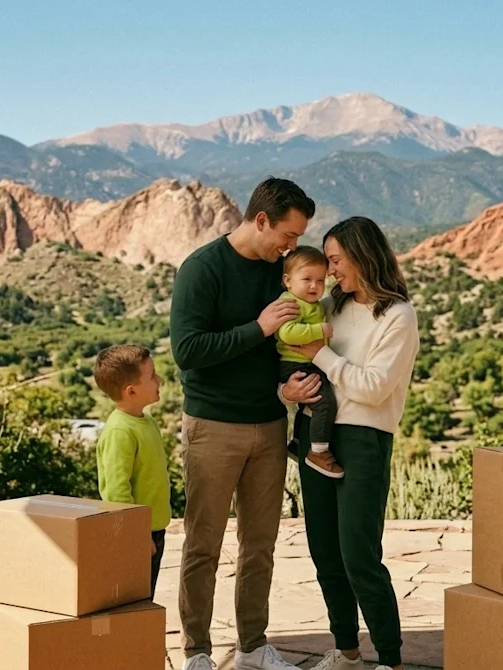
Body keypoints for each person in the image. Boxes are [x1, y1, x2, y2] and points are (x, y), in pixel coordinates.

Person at [170, 177, 320, 670]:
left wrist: (288, 390)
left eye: (298, 239)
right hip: (212, 427)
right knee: (203, 545)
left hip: (270, 426)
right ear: (261, 220)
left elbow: (287, 348)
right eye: (288, 235)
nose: (292, 246)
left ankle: (253, 648)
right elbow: (188, 353)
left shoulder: (282, 272)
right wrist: (257, 328)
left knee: (260, 546)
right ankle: (197, 652)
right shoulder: (202, 269)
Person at [283, 217, 420, 670]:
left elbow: (373, 387)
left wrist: (320, 354)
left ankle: (390, 659)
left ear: (363, 256)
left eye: (337, 260)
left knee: (359, 553)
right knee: (325, 552)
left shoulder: (398, 316)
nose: (330, 269)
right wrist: (288, 392)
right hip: (313, 434)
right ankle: (345, 651)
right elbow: (293, 353)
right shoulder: (330, 307)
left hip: (364, 440)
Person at [93, 344, 171, 595]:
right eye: (152, 376)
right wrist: (135, 534)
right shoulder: (120, 432)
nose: (159, 379)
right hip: (137, 534)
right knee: (134, 602)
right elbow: (116, 492)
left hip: (152, 530)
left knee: (145, 597)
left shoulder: (145, 421)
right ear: (131, 391)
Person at [275, 245, 342, 479]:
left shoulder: (310, 303)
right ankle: (319, 452)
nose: (314, 286)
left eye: (320, 281)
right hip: (295, 363)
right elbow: (287, 333)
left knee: (310, 404)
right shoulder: (291, 303)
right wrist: (318, 330)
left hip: (304, 362)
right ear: (288, 280)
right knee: (324, 403)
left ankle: (296, 443)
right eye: (307, 279)